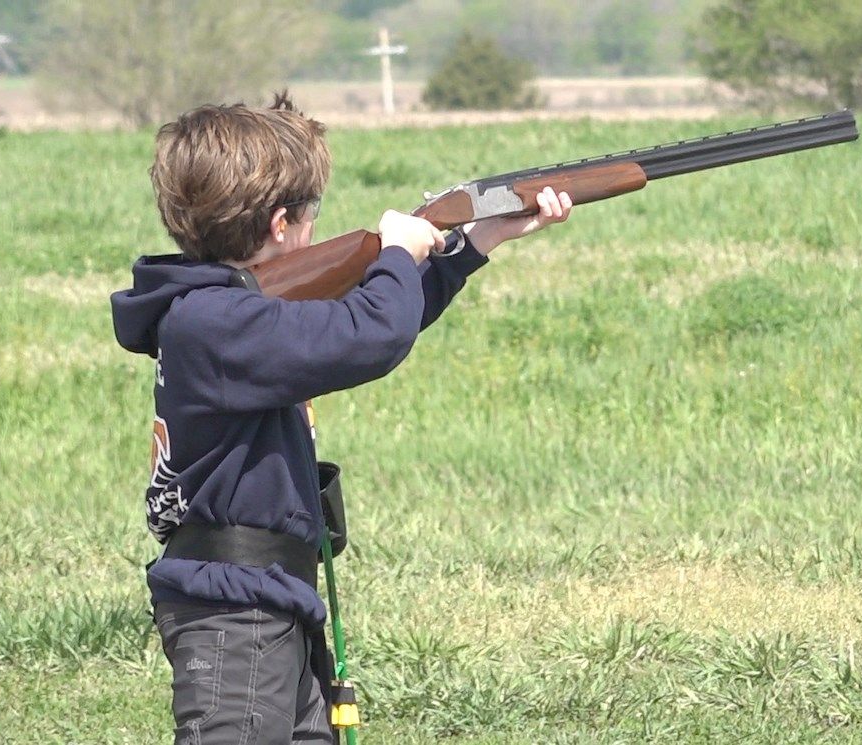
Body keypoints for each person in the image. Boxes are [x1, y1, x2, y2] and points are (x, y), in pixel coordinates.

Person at [110, 92, 573, 745]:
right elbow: (369, 335)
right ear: (280, 225)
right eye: (310, 215)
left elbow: (361, 323)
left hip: (266, 595)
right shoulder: (215, 321)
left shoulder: (226, 312)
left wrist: (478, 240)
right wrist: (395, 249)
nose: (313, 229)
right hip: (235, 609)